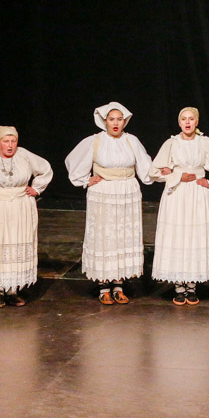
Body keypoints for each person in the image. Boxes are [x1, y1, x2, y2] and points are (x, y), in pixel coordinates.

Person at [65, 102, 153, 304]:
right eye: (112, 119)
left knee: (123, 236)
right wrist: (85, 179)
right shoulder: (95, 141)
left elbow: (146, 166)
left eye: (119, 119)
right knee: (105, 236)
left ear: (124, 121)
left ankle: (119, 285)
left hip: (127, 191)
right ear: (105, 121)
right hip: (103, 192)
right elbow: (73, 161)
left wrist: (161, 172)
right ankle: (104, 287)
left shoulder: (131, 140)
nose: (115, 123)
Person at [150, 107, 209, 305]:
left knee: (195, 236)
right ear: (179, 122)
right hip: (177, 194)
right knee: (178, 237)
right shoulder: (171, 143)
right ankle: (178, 286)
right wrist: (176, 175)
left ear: (196, 122)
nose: (187, 122)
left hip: (198, 193)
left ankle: (191, 286)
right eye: (184, 119)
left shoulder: (205, 142)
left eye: (191, 119)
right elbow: (153, 171)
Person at [0, 126, 53, 308]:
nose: (10, 145)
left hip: (19, 206)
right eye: (5, 141)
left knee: (16, 242)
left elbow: (45, 169)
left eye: (13, 141)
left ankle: (13, 290)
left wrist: (36, 188)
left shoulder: (23, 155)